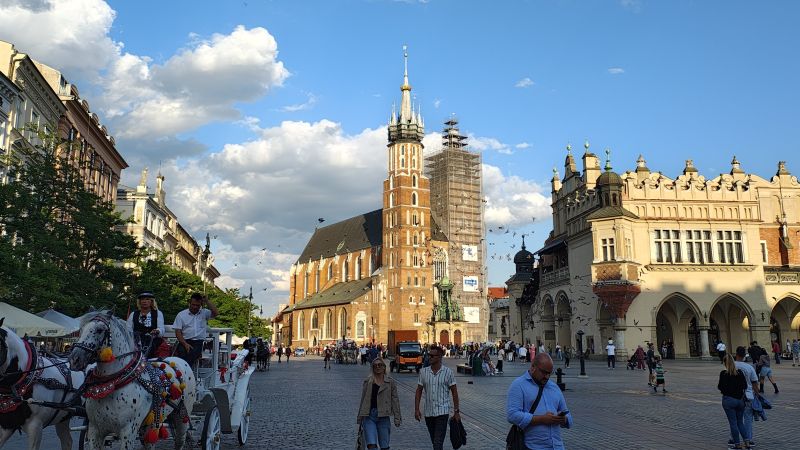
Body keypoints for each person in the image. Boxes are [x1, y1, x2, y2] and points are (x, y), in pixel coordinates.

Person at [506, 352, 573, 450]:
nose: (546, 376)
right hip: (532, 446)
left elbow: (568, 415)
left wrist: (564, 420)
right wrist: (541, 419)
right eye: (543, 372)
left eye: (549, 373)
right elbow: (512, 415)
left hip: (557, 446)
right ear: (533, 367)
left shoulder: (554, 387)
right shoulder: (519, 385)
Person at [415, 346, 460, 450]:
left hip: (442, 412)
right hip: (429, 412)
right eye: (428, 355)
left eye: (431, 356)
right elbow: (418, 391)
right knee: (434, 440)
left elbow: (454, 392)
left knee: (437, 443)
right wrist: (417, 409)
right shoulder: (423, 372)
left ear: (439, 357)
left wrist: (456, 411)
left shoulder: (448, 372)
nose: (428, 358)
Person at [357, 357, 401, 450]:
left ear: (384, 367)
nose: (377, 367)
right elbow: (363, 400)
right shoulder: (368, 382)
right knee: (371, 446)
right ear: (372, 368)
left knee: (384, 447)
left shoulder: (390, 382)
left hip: (384, 416)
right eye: (375, 365)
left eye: (380, 365)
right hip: (369, 416)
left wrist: (397, 417)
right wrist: (360, 417)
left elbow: (395, 400)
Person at [173, 292, 218, 369]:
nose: (195, 307)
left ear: (201, 305)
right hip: (184, 340)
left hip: (198, 341)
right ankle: (184, 371)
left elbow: (216, 313)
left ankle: (184, 371)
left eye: (197, 305)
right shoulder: (181, 314)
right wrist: (185, 343)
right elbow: (178, 332)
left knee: (192, 353)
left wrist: (207, 301)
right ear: (189, 303)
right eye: (193, 304)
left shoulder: (204, 313)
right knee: (181, 353)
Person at [718, 354, 748, 449]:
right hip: (740, 401)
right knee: (740, 422)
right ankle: (747, 442)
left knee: (733, 423)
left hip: (728, 400)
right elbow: (745, 386)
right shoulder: (739, 373)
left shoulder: (723, 374)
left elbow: (720, 387)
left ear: (724, 363)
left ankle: (737, 444)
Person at [126, 292, 165, 359]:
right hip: (136, 341)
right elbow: (128, 329)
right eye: (142, 299)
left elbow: (161, 328)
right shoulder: (133, 314)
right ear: (139, 302)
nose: (144, 301)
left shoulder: (158, 313)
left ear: (151, 302)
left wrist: (157, 331)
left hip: (152, 340)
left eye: (147, 299)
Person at [734, 346, 759, 449]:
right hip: (748, 395)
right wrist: (757, 395)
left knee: (735, 419)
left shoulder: (732, 366)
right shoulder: (749, 367)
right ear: (745, 356)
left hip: (734, 395)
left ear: (736, 354)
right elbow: (754, 383)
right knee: (748, 419)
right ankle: (748, 439)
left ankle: (734, 439)